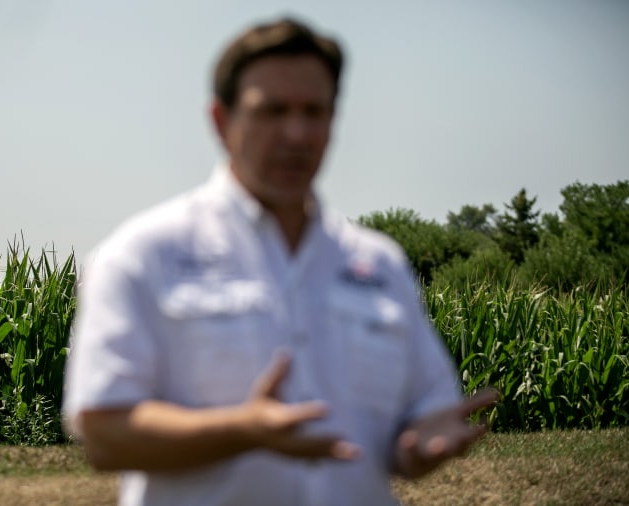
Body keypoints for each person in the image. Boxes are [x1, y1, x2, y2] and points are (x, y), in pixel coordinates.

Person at [62, 17, 498, 506]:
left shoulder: (379, 265)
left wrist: (420, 442)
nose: (297, 133)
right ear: (222, 121)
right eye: (272, 111)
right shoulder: (143, 254)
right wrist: (243, 429)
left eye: (315, 111)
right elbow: (104, 434)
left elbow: (419, 416)